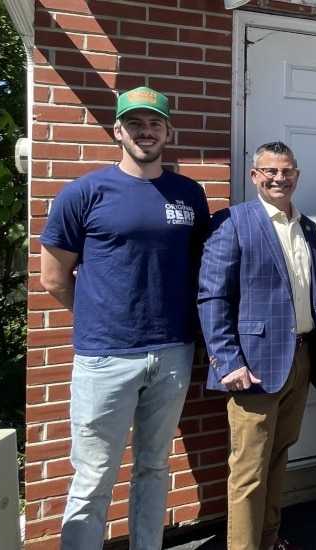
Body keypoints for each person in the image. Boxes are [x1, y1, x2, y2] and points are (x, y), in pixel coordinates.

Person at [39, 87, 210, 549]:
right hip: (104, 358)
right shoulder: (85, 192)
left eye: (154, 123)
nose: (145, 131)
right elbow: (54, 277)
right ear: (118, 130)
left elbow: (198, 267)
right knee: (94, 477)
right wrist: (102, 316)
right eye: (134, 123)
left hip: (173, 351)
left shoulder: (188, 195)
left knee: (154, 467)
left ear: (168, 132)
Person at [198, 142, 316, 550]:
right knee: (248, 470)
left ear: (297, 175)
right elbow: (212, 297)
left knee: (278, 456)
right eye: (270, 171)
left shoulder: (307, 227)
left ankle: (270, 538)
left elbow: (311, 292)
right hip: (252, 368)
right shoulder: (232, 222)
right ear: (255, 175)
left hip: (301, 358)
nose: (279, 178)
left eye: (287, 171)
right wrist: (226, 362)